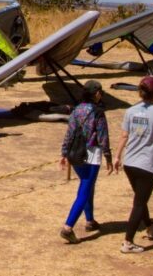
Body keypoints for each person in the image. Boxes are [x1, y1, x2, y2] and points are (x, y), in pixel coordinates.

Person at [114, 75, 153, 254]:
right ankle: (128, 241)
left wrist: (117, 157)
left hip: (130, 162)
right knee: (139, 202)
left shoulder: (130, 111)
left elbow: (124, 135)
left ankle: (150, 225)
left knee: (141, 198)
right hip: (147, 164)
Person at [58, 80, 114, 244]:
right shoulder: (98, 112)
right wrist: (108, 157)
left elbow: (69, 132)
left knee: (87, 185)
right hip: (91, 154)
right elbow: (103, 136)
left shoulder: (76, 110)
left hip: (75, 153)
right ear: (96, 93)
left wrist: (64, 152)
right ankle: (68, 227)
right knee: (85, 188)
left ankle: (90, 220)